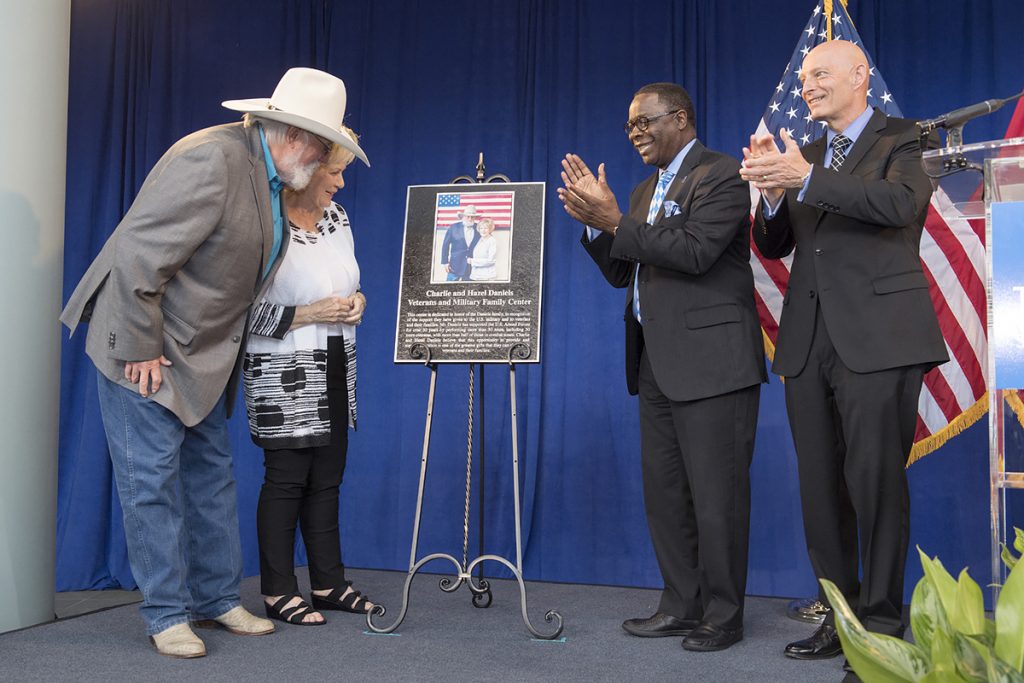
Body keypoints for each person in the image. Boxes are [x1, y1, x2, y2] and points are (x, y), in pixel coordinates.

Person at [60, 67, 370, 658]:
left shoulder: (272, 176)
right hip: (143, 344)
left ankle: (218, 599)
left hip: (201, 353)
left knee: (210, 480)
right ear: (299, 138)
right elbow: (136, 257)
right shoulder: (212, 159)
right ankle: (166, 613)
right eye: (328, 152)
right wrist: (142, 346)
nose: (328, 170)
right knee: (150, 483)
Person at [740, 40, 947, 677]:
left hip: (881, 337)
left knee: (875, 483)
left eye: (819, 73)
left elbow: (900, 207)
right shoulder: (808, 156)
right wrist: (773, 192)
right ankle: (840, 616)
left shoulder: (904, 138)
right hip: (808, 339)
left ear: (860, 76)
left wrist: (804, 177)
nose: (807, 86)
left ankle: (882, 629)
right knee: (821, 489)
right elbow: (775, 245)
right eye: (804, 77)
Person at [559, 82, 766, 652]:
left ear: (679, 117)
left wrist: (615, 220)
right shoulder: (646, 187)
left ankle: (724, 615)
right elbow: (625, 272)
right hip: (655, 363)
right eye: (629, 127)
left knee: (717, 496)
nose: (635, 134)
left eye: (644, 123)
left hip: (714, 365)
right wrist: (597, 225)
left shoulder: (722, 174)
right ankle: (680, 604)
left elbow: (696, 252)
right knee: (667, 492)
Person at [242, 132, 375, 626]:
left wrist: (358, 302)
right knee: (287, 481)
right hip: (282, 372)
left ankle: (328, 582)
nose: (340, 183)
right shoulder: (265, 223)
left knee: (328, 479)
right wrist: (306, 313)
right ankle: (277, 590)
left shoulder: (338, 219)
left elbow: (349, 282)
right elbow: (235, 313)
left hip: (337, 361)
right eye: (334, 172)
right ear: (308, 167)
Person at [439, 205, 481, 280]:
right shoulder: (453, 227)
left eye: (472, 217)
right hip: (454, 265)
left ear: (475, 218)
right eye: (468, 216)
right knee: (449, 289)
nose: (470, 219)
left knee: (469, 290)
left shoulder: (479, 228)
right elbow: (445, 245)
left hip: (471, 267)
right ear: (463, 216)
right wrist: (445, 262)